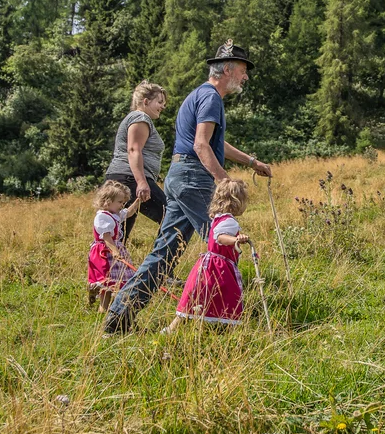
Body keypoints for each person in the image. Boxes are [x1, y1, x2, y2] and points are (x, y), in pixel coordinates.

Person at [103, 40, 272, 335]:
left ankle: (119, 316)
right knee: (223, 243)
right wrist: (224, 181)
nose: (245, 77)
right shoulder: (212, 99)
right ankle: (224, 316)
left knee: (164, 254)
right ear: (228, 68)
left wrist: (251, 161)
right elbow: (201, 145)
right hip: (195, 178)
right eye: (243, 70)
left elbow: (215, 144)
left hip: (179, 176)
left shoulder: (200, 96)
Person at [163, 178, 250, 332]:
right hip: (219, 267)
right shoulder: (230, 221)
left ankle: (178, 326)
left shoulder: (218, 217)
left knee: (198, 293)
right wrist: (235, 239)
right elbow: (220, 237)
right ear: (238, 201)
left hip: (208, 263)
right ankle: (230, 327)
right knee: (228, 294)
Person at [104, 81, 168, 245]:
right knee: (172, 217)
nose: (163, 106)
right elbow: (133, 150)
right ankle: (157, 266)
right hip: (130, 179)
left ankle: (111, 269)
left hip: (122, 178)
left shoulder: (137, 118)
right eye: (159, 102)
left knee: (118, 235)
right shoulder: (140, 117)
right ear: (146, 101)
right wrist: (141, 182)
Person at [87, 180, 142, 314]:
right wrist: (115, 251)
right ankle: (102, 308)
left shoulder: (114, 214)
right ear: (107, 201)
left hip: (114, 249)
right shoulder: (102, 217)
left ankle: (108, 306)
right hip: (105, 253)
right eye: (120, 202)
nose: (122, 205)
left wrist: (138, 201)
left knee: (120, 279)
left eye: (123, 202)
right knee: (107, 281)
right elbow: (106, 237)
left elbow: (128, 213)